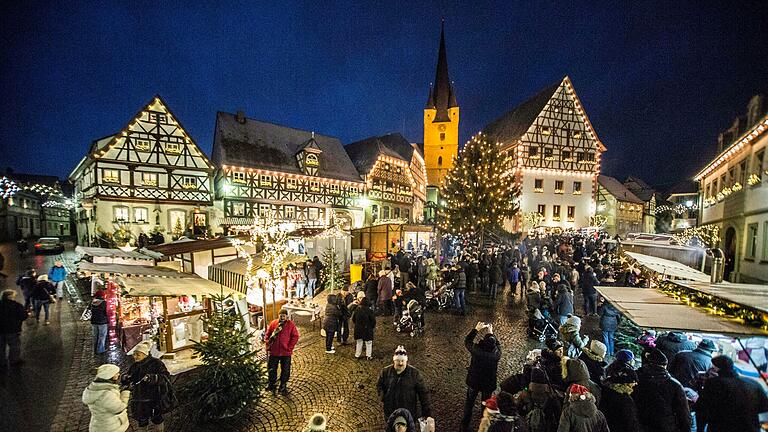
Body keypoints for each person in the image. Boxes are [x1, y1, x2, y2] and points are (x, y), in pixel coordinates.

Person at [696, 355, 768, 432]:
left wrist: (700, 429)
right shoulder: (753, 383)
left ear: (718, 369)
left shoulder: (713, 383)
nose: (709, 370)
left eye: (712, 368)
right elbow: (764, 411)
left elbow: (702, 411)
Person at [633, 348, 691, 432]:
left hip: (639, 423)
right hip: (665, 426)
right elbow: (683, 413)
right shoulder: (674, 384)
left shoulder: (634, 378)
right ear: (664, 366)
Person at [122, 342, 174, 431]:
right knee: (142, 422)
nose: (135, 357)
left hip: (154, 399)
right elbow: (129, 379)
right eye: (134, 354)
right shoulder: (135, 366)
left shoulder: (156, 363)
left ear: (145, 354)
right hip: (139, 401)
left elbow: (165, 377)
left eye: (138, 355)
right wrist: (125, 378)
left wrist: (152, 378)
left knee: (157, 420)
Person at [461, 322, 502, 431]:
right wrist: (491, 333)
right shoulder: (496, 354)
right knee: (485, 406)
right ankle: (483, 426)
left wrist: (476, 329)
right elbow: (498, 345)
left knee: (469, 404)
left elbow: (467, 341)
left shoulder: (477, 350)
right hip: (488, 384)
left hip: (474, 381)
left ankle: (464, 426)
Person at [377, 345, 432, 420]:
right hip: (390, 412)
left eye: (403, 361)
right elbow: (379, 385)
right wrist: (384, 397)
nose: (400, 363)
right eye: (398, 361)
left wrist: (426, 413)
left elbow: (423, 393)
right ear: (394, 361)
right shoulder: (385, 372)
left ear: (406, 361)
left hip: (408, 412)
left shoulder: (414, 373)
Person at [82, 363, 131, 432]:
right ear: (109, 375)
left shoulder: (94, 387)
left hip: (98, 425)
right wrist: (125, 392)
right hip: (111, 427)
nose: (118, 374)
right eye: (116, 373)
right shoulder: (106, 394)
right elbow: (119, 408)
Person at [264, 308, 300, 394]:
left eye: (284, 316)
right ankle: (271, 383)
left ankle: (283, 385)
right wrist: (267, 342)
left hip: (285, 352)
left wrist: (289, 347)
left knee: (285, 369)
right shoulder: (273, 323)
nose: (282, 318)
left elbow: (295, 336)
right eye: (281, 316)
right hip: (274, 351)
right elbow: (268, 334)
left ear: (287, 316)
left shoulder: (290, 325)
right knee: (272, 368)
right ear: (278, 316)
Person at [515, 368, 562, 432]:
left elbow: (517, 409)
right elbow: (558, 413)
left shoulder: (525, 393)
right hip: (547, 427)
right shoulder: (551, 394)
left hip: (529, 426)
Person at [599, 360, 640, 432]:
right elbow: (630, 423)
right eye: (634, 382)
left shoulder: (606, 389)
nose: (636, 384)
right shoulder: (625, 400)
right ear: (626, 383)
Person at [0, 290, 28, 368]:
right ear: (10, 297)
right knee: (14, 345)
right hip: (12, 329)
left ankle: (2, 362)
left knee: (1, 346)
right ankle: (14, 360)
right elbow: (23, 316)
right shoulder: (16, 305)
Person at [90, 290, 109, 354]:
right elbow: (106, 312)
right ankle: (100, 350)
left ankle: (94, 349)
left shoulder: (92, 302)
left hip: (94, 321)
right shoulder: (104, 303)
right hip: (102, 321)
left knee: (95, 336)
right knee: (102, 336)